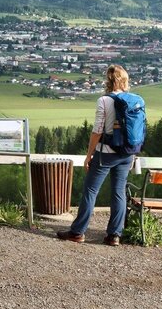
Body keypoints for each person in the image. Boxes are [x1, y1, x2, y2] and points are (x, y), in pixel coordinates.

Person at [57, 64, 134, 246]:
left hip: (105, 153)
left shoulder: (104, 101)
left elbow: (97, 131)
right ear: (125, 80)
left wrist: (88, 155)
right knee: (119, 192)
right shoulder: (134, 100)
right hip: (126, 154)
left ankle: (77, 232)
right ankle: (114, 235)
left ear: (108, 80)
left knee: (90, 191)